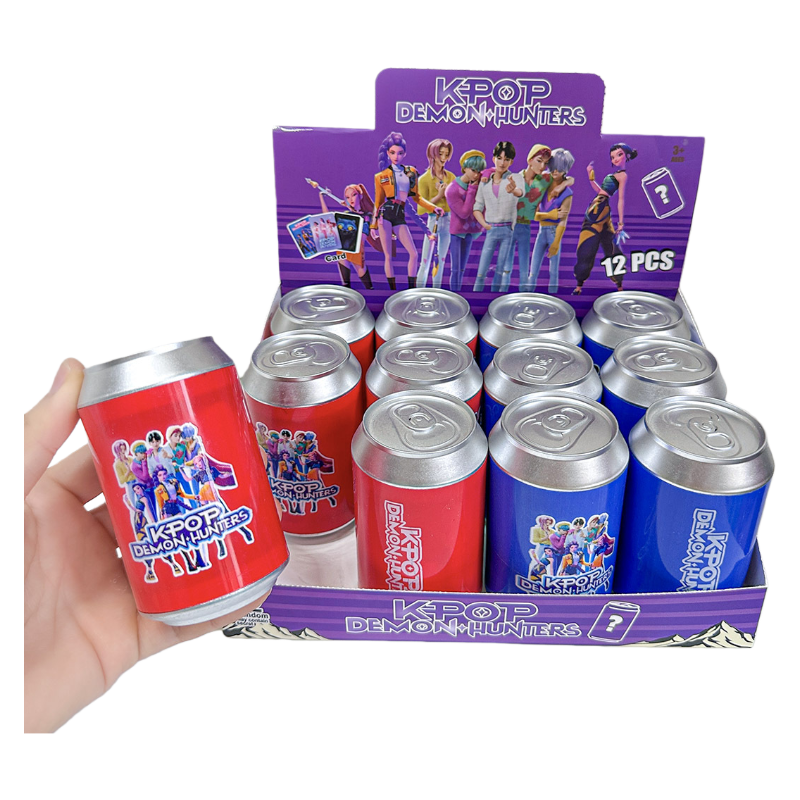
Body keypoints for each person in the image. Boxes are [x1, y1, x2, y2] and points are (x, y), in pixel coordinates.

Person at [24, 359, 278, 732]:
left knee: (192, 502)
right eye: (152, 443)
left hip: (179, 489)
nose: (155, 445)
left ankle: (217, 539)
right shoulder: (134, 462)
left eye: (158, 442)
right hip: (146, 494)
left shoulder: (179, 453)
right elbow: (127, 477)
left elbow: (191, 463)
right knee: (147, 508)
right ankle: (170, 543)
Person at [370, 131, 444, 290]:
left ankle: (411, 290)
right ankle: (392, 290)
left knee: (414, 254)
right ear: (388, 153)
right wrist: (373, 225)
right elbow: (378, 202)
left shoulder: (410, 172)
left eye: (400, 153)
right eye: (392, 152)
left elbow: (417, 198)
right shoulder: (381, 176)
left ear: (404, 154)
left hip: (400, 214)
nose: (396, 156)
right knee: (388, 256)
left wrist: (433, 207)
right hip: (385, 215)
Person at [573, 143, 637, 294]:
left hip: (600, 209)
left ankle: (617, 284)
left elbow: (621, 199)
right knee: (600, 243)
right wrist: (591, 178)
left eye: (619, 155)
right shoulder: (615, 175)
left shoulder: (622, 176)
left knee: (593, 242)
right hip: (598, 207)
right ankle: (580, 284)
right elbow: (600, 191)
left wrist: (621, 223)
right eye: (613, 157)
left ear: (627, 155)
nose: (615, 159)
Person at [472, 141, 524, 292]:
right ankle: (475, 296)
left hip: (507, 229)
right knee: (481, 271)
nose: (502, 163)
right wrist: (485, 224)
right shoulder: (485, 182)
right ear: (494, 158)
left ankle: (495, 297)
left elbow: (520, 192)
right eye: (499, 158)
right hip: (491, 229)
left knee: (500, 270)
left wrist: (513, 190)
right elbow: (477, 207)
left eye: (506, 159)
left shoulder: (515, 178)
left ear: (511, 162)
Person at [529, 148, 575, 293]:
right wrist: (550, 215)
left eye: (560, 169)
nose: (555, 172)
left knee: (553, 272)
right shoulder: (544, 183)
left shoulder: (567, 193)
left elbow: (563, 221)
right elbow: (532, 214)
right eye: (553, 167)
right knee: (533, 270)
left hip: (555, 232)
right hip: (541, 231)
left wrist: (555, 243)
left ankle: (553, 298)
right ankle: (527, 294)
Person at [416, 138, 455, 288]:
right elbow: (420, 209)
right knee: (425, 260)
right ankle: (419, 292)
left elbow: (455, 203)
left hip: (448, 220)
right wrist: (439, 196)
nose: (443, 158)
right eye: (440, 154)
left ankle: (436, 291)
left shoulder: (451, 177)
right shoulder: (424, 179)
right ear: (432, 155)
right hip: (433, 221)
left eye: (446, 154)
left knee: (441, 261)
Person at [445, 149, 486, 292]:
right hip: (457, 232)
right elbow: (464, 212)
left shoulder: (479, 184)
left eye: (479, 171)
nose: (476, 174)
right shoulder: (452, 189)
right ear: (465, 168)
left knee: (462, 268)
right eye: (473, 170)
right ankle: (454, 293)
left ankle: (459, 293)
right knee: (455, 269)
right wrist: (473, 189)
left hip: (471, 231)